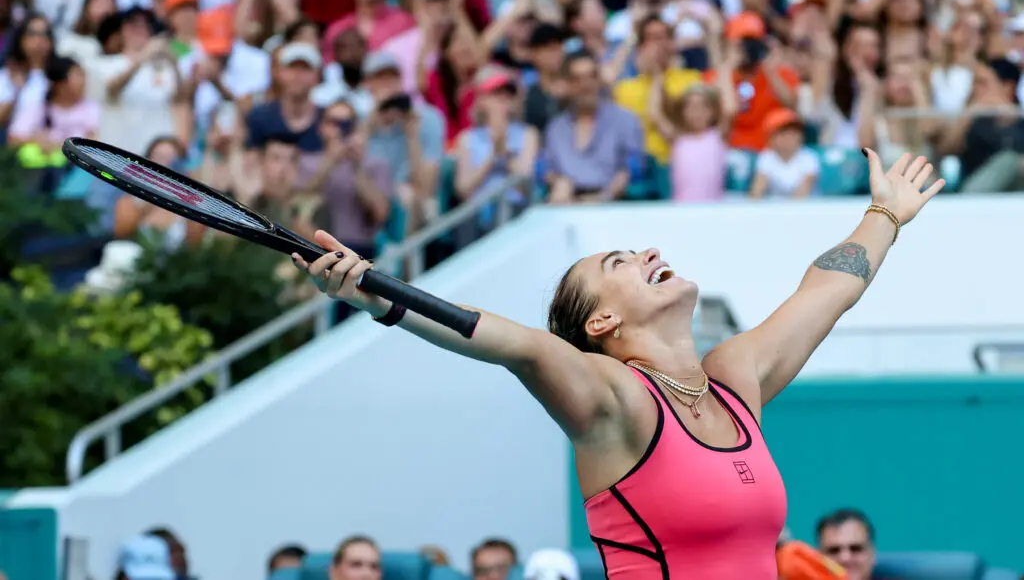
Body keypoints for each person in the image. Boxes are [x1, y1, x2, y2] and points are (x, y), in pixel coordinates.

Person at [293, 149, 944, 579]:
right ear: (602, 324)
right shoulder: (613, 401)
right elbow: (512, 344)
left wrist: (885, 213)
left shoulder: (736, 380)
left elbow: (828, 290)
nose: (647, 253)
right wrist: (375, 294)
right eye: (619, 263)